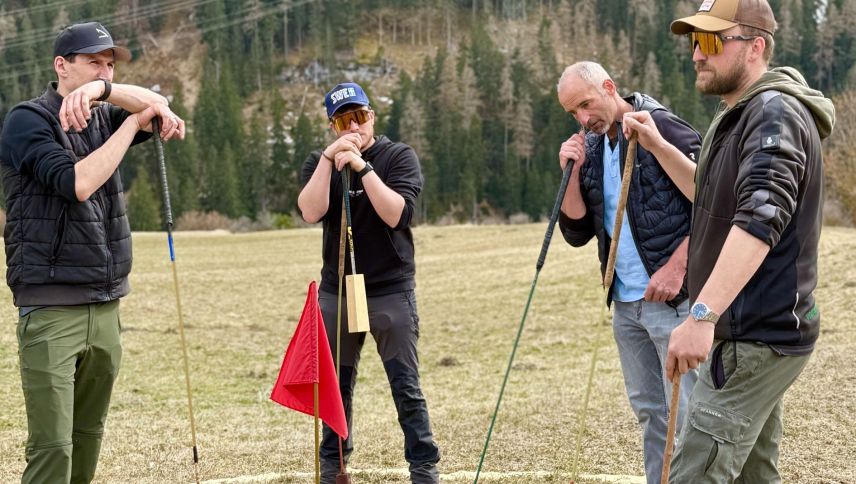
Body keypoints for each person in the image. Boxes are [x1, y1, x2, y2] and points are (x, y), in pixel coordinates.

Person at [622, 0, 835, 481]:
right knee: (751, 475)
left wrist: (701, 314)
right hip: (748, 333)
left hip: (756, 336)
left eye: (712, 41)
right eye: (695, 41)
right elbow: (709, 192)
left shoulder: (773, 114)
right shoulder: (741, 114)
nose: (698, 54)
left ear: (755, 47)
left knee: (695, 473)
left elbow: (760, 219)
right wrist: (659, 145)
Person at [0, 21, 185, 483]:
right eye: (92, 62)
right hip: (51, 308)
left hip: (106, 306)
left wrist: (105, 89)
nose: (103, 70)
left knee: (88, 436)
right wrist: (128, 130)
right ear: (61, 66)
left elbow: (159, 106)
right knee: (53, 448)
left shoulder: (101, 113)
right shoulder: (28, 120)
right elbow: (78, 183)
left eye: (109, 63)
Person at [556, 61, 701, 484]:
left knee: (690, 414)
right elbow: (578, 231)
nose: (583, 118)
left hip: (673, 301)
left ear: (609, 87)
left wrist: (678, 267)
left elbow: (714, 207)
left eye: (586, 104)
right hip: (625, 305)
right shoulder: (594, 144)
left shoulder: (663, 127)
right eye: (572, 113)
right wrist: (571, 173)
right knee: (651, 413)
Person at [297, 82, 440, 484]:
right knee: (335, 388)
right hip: (337, 291)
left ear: (372, 116)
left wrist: (362, 167)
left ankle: (423, 466)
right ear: (332, 126)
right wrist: (330, 161)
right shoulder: (320, 163)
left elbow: (397, 214)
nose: (353, 127)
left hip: (390, 289)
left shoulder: (398, 156)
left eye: (359, 117)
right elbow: (310, 211)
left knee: (405, 385)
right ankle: (334, 464)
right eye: (344, 121)